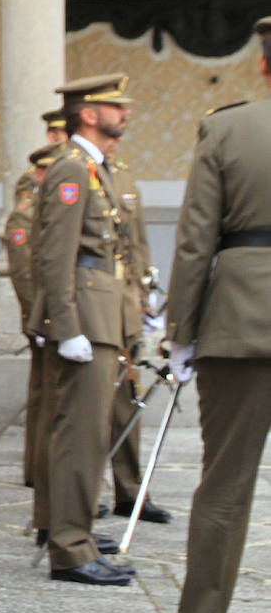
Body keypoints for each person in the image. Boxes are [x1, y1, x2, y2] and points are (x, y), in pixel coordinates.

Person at [168, 15, 271, 613]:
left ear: (261, 61)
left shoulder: (227, 127)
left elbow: (193, 243)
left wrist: (181, 331)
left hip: (240, 324)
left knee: (224, 491)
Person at [28, 73, 140, 585]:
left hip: (101, 316)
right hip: (85, 319)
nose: (126, 113)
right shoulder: (71, 168)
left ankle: (66, 530)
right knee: (81, 436)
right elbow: (55, 252)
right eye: (116, 107)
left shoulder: (96, 170)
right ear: (90, 114)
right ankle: (72, 549)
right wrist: (65, 324)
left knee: (77, 432)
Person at [1, 110, 68, 487]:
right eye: (56, 133)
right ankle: (39, 473)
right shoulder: (36, 179)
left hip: (57, 304)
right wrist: (33, 310)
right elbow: (22, 252)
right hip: (42, 308)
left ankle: (48, 472)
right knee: (46, 395)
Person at [105, 146, 171, 525]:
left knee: (128, 398)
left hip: (126, 303)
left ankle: (129, 491)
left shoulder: (123, 176)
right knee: (86, 410)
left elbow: (137, 242)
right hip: (92, 306)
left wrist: (143, 296)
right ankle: (71, 505)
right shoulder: (68, 171)